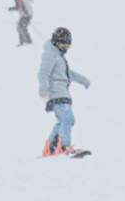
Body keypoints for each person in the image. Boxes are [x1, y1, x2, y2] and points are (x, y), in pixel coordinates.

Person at [38, 27, 91, 156]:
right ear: (56, 42)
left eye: (68, 45)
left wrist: (83, 80)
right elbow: (42, 74)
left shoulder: (58, 56)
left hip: (63, 94)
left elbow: (68, 74)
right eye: (63, 44)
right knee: (68, 119)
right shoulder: (50, 55)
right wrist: (44, 93)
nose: (65, 47)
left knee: (63, 120)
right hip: (56, 94)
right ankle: (64, 147)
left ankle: (51, 147)